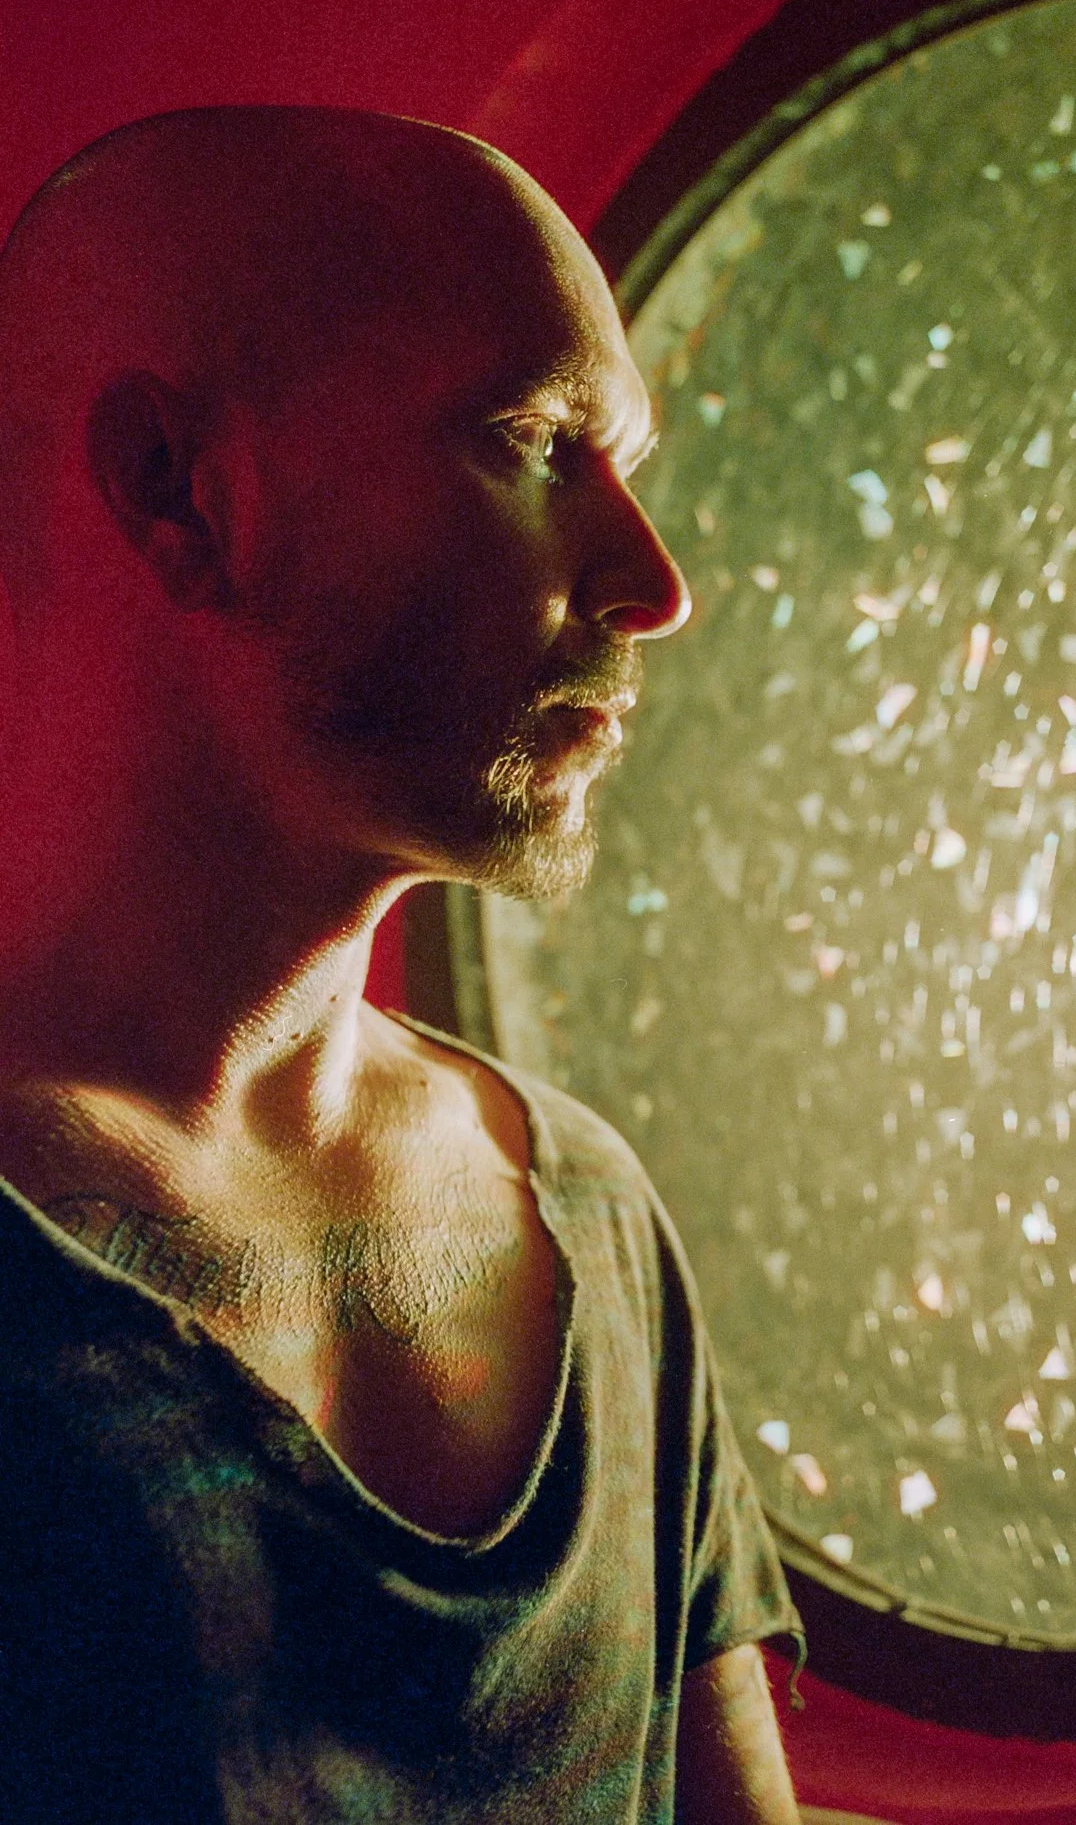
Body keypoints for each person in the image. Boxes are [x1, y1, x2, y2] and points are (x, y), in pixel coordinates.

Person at [0, 107, 805, 1821]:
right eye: (534, 444)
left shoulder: (591, 1213)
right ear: (179, 493)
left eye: (631, 468)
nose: (653, 584)